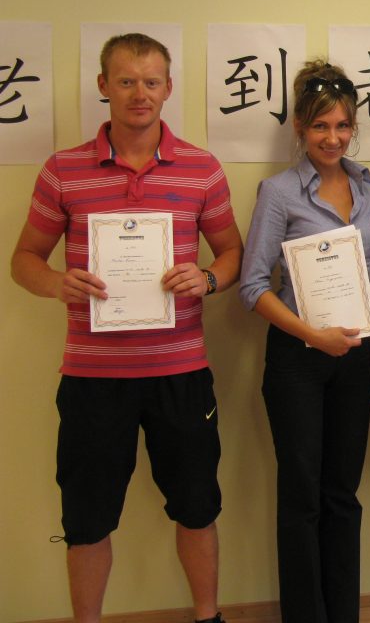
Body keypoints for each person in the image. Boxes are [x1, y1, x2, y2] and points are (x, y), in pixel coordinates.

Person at [9, 33, 242, 623]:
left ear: (168, 88)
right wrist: (55, 282)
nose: (141, 93)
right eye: (127, 80)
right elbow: (24, 260)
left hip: (181, 372)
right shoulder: (62, 170)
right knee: (87, 518)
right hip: (93, 378)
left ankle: (207, 616)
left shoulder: (202, 168)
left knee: (197, 507)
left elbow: (232, 254)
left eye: (152, 81)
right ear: (103, 86)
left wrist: (207, 279)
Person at [238, 61, 370, 623]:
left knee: (343, 494)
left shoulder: (368, 188)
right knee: (302, 495)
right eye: (321, 126)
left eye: (343, 126)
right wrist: (312, 336)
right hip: (297, 360)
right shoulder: (278, 192)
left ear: (354, 127)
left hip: (355, 358)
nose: (332, 138)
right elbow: (253, 287)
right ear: (300, 127)